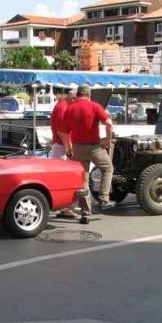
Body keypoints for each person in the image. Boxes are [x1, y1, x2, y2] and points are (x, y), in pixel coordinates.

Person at [60, 84, 115, 224]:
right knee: (107, 168)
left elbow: (63, 132)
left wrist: (68, 148)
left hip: (78, 148)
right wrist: (107, 139)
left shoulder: (69, 108)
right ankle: (103, 198)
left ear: (78, 94)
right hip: (94, 147)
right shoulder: (95, 106)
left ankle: (86, 214)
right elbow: (109, 124)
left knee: (82, 181)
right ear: (89, 94)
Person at [49, 89, 79, 219]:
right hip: (62, 146)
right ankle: (65, 207)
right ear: (72, 98)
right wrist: (69, 149)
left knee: (60, 178)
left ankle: (64, 207)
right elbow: (62, 131)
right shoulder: (63, 107)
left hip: (60, 145)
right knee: (64, 179)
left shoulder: (61, 105)